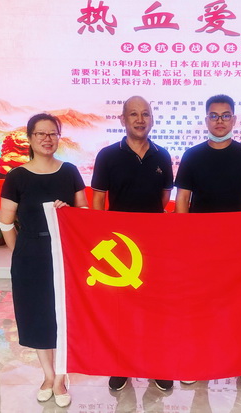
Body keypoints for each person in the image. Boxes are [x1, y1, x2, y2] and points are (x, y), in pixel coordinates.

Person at [174, 94, 241, 391]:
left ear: (234, 119)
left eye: (225, 115)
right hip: (199, 245)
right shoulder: (192, 155)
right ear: (206, 120)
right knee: (199, 305)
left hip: (237, 245)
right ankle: (196, 361)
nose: (220, 121)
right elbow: (182, 200)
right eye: (214, 116)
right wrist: (184, 239)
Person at [0, 113, 88, 408]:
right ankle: (48, 376)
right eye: (41, 134)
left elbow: (85, 214)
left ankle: (61, 377)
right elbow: (5, 223)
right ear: (30, 138)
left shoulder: (69, 172)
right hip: (30, 256)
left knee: (63, 315)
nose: (47, 139)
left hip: (65, 254)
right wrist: (21, 252)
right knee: (36, 316)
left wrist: (69, 213)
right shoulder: (17, 177)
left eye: (52, 134)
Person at [91, 96, 174, 391]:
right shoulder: (107, 156)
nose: (140, 120)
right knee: (121, 309)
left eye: (145, 114)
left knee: (155, 307)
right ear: (122, 119)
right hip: (119, 246)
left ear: (152, 119)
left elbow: (164, 197)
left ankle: (156, 364)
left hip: (154, 244)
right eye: (134, 114)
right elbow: (98, 200)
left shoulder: (162, 156)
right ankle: (121, 365)